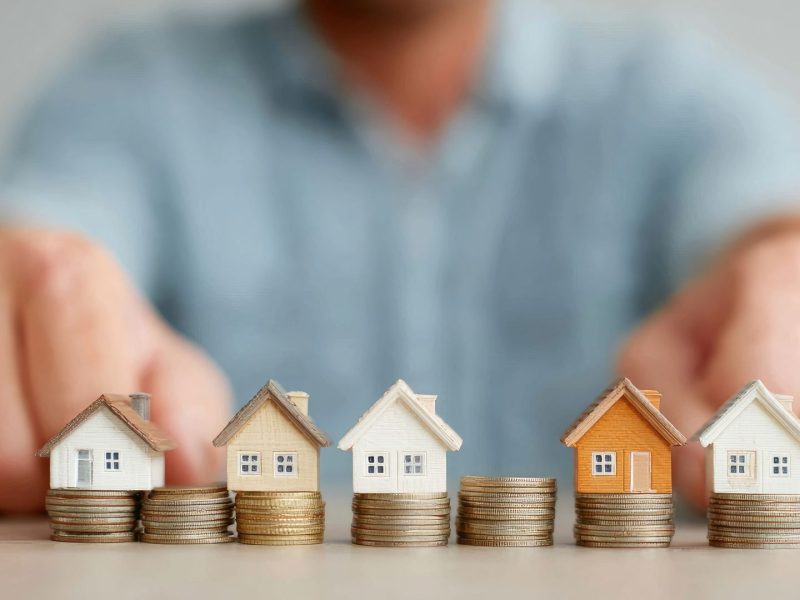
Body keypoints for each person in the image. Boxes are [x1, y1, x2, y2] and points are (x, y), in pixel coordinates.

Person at [1, 0, 800, 513]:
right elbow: (49, 249)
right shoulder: (125, 95)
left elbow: (768, 220)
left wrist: (779, 267)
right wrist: (32, 291)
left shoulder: (673, 94)